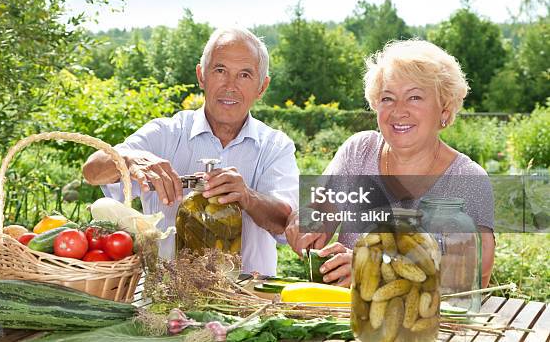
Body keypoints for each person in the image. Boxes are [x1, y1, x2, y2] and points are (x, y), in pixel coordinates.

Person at [83, 27, 298, 276]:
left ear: (262, 87)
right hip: (164, 300)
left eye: (245, 75)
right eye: (220, 71)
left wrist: (246, 196)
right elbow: (92, 170)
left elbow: (286, 220)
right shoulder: (165, 133)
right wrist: (129, 159)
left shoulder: (276, 146)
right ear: (201, 76)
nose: (230, 86)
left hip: (248, 304)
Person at [286, 39, 495, 288]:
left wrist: (378, 270)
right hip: (349, 317)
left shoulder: (469, 179)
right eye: (387, 98)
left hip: (429, 323)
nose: (399, 111)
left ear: (445, 108)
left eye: (415, 97)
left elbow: (476, 274)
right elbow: (318, 211)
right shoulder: (359, 152)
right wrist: (305, 224)